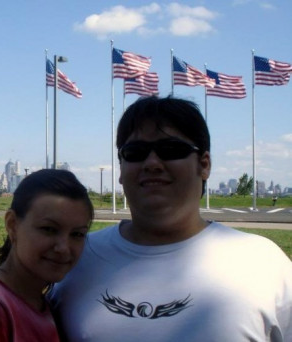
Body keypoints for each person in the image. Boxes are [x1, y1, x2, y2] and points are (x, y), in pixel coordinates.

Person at [49, 96, 292, 341]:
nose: (152, 163)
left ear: (204, 164)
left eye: (171, 150)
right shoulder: (74, 258)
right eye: (135, 152)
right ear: (121, 169)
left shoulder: (265, 263)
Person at [0, 169, 94, 341]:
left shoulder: (41, 303)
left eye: (77, 234)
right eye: (49, 229)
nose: (63, 248)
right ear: (12, 225)